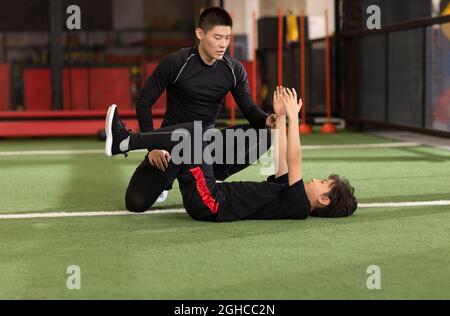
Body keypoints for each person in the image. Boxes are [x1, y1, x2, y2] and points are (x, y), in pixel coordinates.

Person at [105, 86, 357, 221]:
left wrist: (294, 117)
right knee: (193, 136)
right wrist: (280, 117)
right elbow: (282, 159)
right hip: (211, 196)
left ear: (324, 200)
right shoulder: (288, 196)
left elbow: (295, 158)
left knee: (192, 135)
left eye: (322, 183)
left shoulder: (299, 206)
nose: (315, 180)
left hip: (211, 202)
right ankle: (137, 153)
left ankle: (126, 141)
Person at [126, 7, 276, 212]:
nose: (223, 44)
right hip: (171, 146)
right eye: (217, 37)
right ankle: (167, 181)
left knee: (264, 135)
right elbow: (143, 102)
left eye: (227, 38)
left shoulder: (233, 69)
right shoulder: (176, 62)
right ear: (200, 34)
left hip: (205, 146)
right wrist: (152, 147)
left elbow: (248, 108)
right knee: (135, 203)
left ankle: (211, 176)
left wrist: (267, 119)